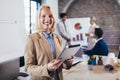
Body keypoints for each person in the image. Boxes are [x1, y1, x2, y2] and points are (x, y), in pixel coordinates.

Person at [24, 5, 73, 80]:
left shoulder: (58, 38)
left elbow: (59, 62)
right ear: (38, 19)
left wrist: (66, 63)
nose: (47, 19)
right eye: (43, 16)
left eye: (50, 16)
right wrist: (47, 68)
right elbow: (28, 68)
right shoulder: (31, 38)